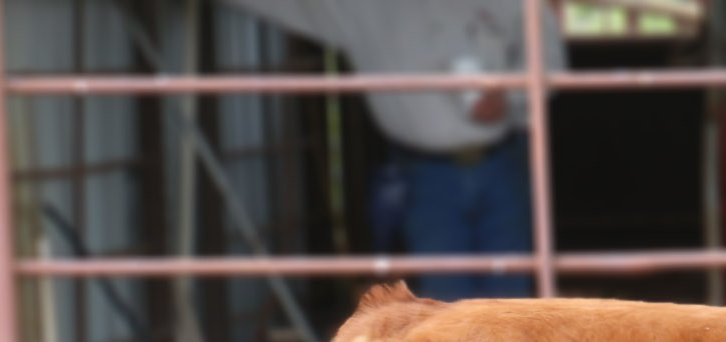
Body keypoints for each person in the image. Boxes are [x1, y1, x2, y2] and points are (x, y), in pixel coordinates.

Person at [225, 0, 565, 299]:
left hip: (502, 161)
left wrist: (510, 95)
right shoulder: (368, 6)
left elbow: (551, 59)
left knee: (510, 294)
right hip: (425, 175)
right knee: (446, 298)